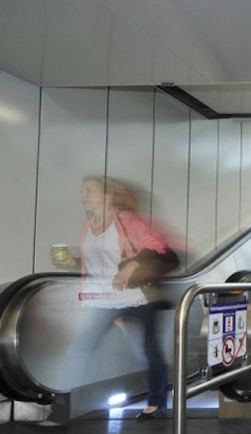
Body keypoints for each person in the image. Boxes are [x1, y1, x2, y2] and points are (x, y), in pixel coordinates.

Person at [52, 175, 173, 421]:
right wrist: (70, 262)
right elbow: (95, 265)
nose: (83, 195)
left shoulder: (125, 220)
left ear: (106, 195)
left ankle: (158, 400)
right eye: (82, 190)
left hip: (136, 295)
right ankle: (60, 408)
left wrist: (133, 265)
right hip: (102, 299)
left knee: (145, 351)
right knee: (81, 347)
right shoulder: (88, 226)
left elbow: (156, 243)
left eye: (89, 190)